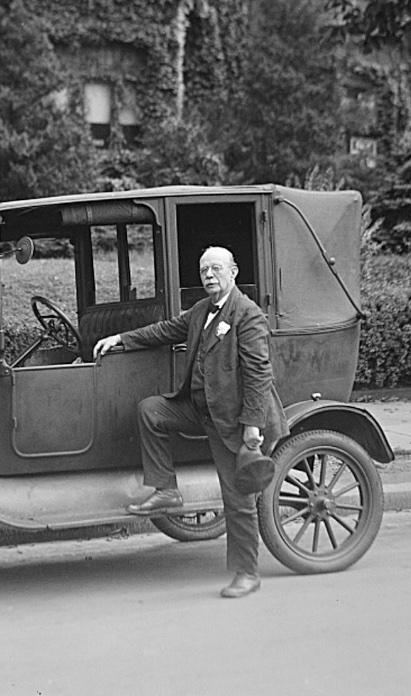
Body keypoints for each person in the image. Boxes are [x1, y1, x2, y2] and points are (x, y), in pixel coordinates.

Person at [92, 246, 287, 599]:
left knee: (238, 499)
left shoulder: (248, 314)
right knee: (151, 410)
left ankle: (247, 573)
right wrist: (120, 339)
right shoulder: (201, 310)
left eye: (216, 269)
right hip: (200, 409)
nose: (209, 275)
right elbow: (165, 330)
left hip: (233, 420)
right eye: (203, 270)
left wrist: (252, 427)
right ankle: (166, 490)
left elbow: (259, 375)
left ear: (233, 272)